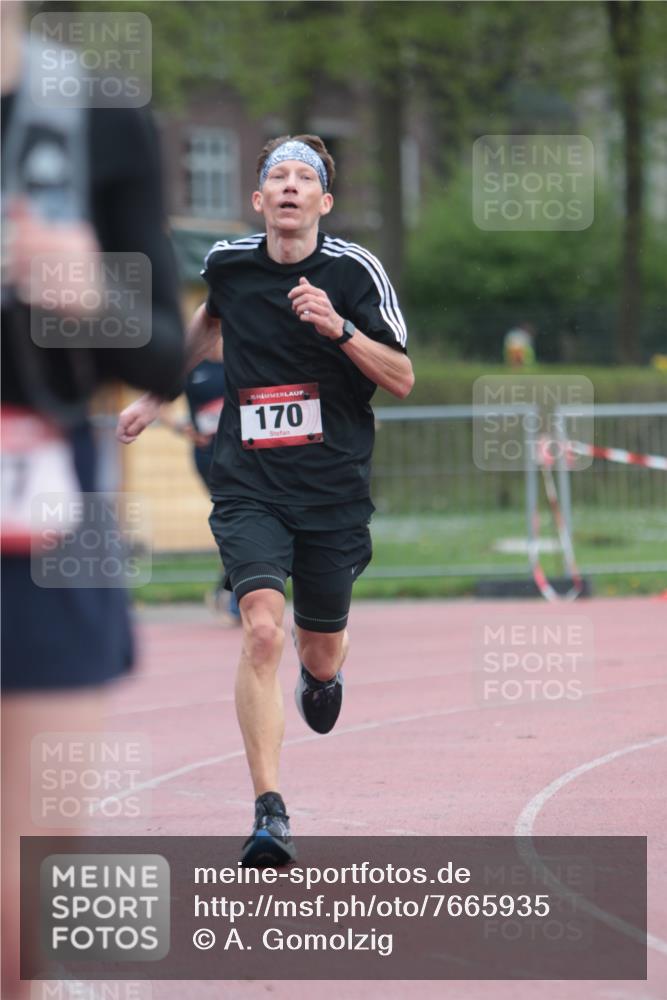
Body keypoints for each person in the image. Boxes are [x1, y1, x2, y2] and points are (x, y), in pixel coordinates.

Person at [117, 134, 414, 866]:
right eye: (274, 176)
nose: (287, 186)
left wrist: (338, 328)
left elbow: (403, 377)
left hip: (332, 488)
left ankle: (326, 674)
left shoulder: (354, 272)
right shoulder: (228, 264)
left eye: (301, 177)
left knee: (315, 650)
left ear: (323, 202)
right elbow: (209, 321)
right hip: (249, 482)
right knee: (259, 632)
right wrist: (157, 395)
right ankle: (269, 811)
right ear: (257, 200)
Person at [1, 4, 184, 994]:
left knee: (25, 903)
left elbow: (163, 345)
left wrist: (89, 294)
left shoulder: (95, 115)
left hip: (41, 514)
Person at [160, 343, 241, 625]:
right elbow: (157, 399)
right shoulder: (193, 367)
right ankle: (231, 594)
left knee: (242, 521)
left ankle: (228, 591)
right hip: (209, 457)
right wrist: (181, 426)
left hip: (245, 454)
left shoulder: (240, 359)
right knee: (235, 520)